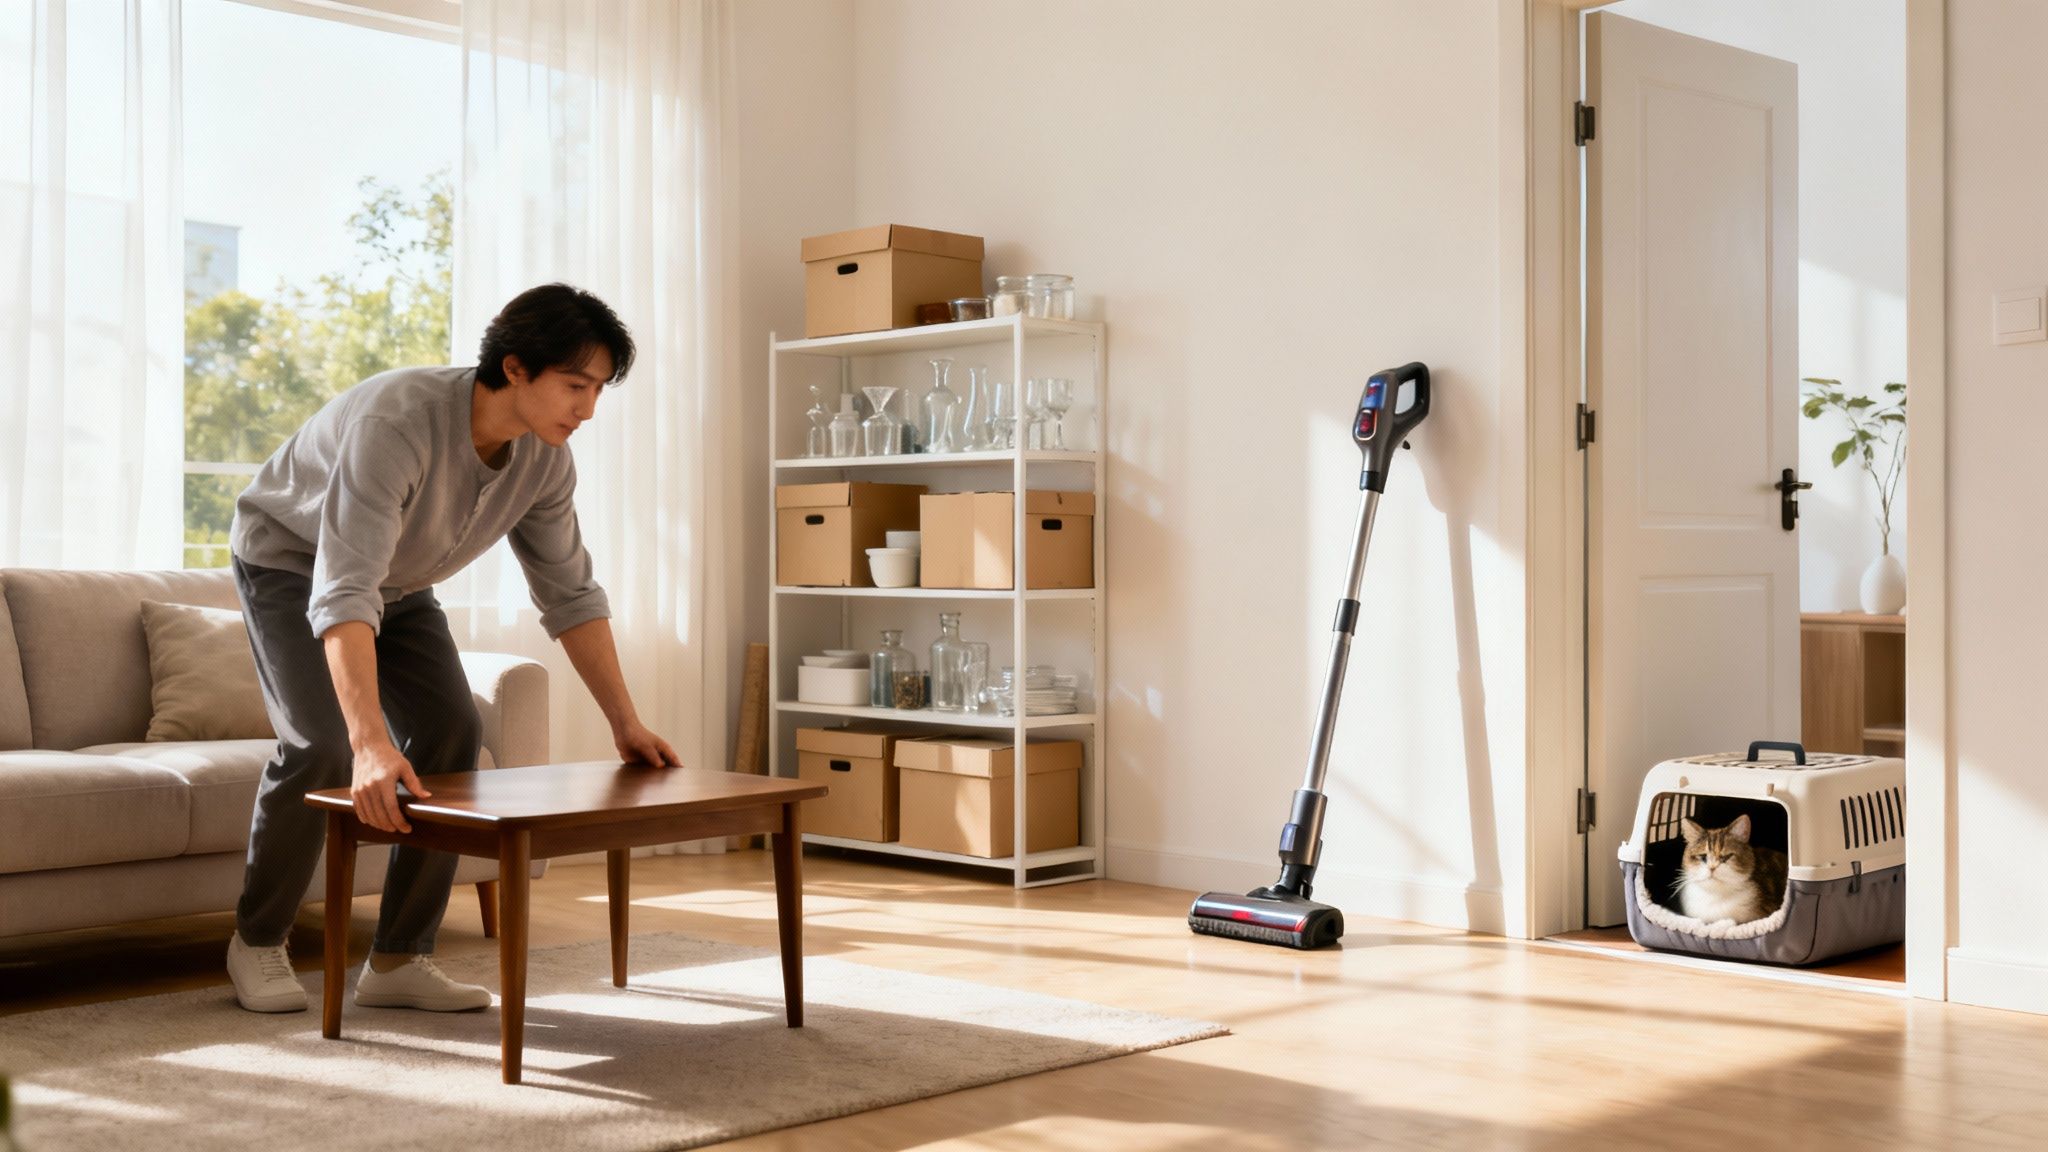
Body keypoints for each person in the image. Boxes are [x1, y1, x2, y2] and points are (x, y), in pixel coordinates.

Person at [223, 283, 680, 1014]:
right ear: (515, 367)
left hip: (400, 582)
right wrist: (370, 744)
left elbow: (570, 595)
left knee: (453, 729)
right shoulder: (395, 424)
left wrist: (625, 722)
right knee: (321, 744)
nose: (588, 409)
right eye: (576, 385)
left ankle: (399, 957)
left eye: (599, 389)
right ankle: (256, 939)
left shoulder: (546, 462)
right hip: (291, 563)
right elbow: (345, 591)